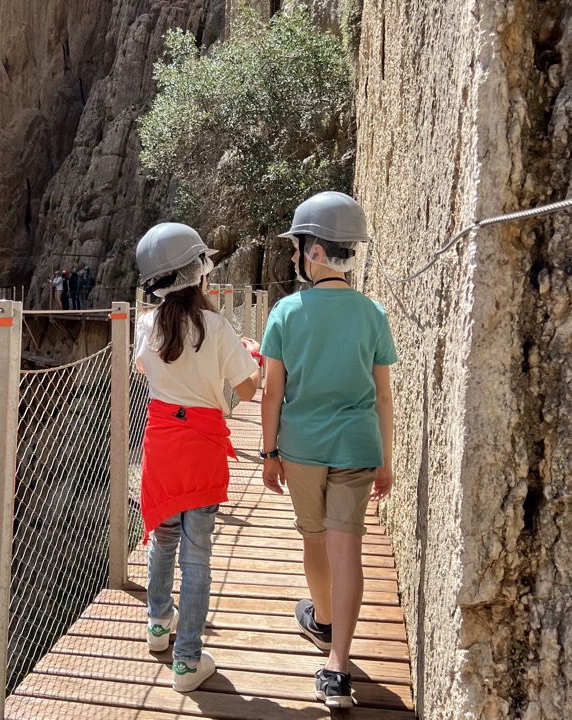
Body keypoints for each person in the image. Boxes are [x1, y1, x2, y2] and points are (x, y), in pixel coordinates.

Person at [258, 191, 397, 709]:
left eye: (298, 248)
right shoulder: (372, 314)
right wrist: (385, 459)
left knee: (314, 540)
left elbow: (273, 391)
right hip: (359, 446)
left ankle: (321, 619)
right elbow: (383, 393)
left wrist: (269, 453)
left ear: (314, 251)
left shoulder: (285, 313)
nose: (295, 256)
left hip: (303, 449)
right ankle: (338, 667)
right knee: (349, 550)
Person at [134, 222, 262, 693]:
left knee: (161, 540)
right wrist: (252, 356)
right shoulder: (217, 326)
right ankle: (187, 661)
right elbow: (247, 391)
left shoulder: (146, 324)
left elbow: (148, 369)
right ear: (198, 273)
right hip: (203, 447)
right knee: (198, 556)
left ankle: (156, 626)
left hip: (162, 444)